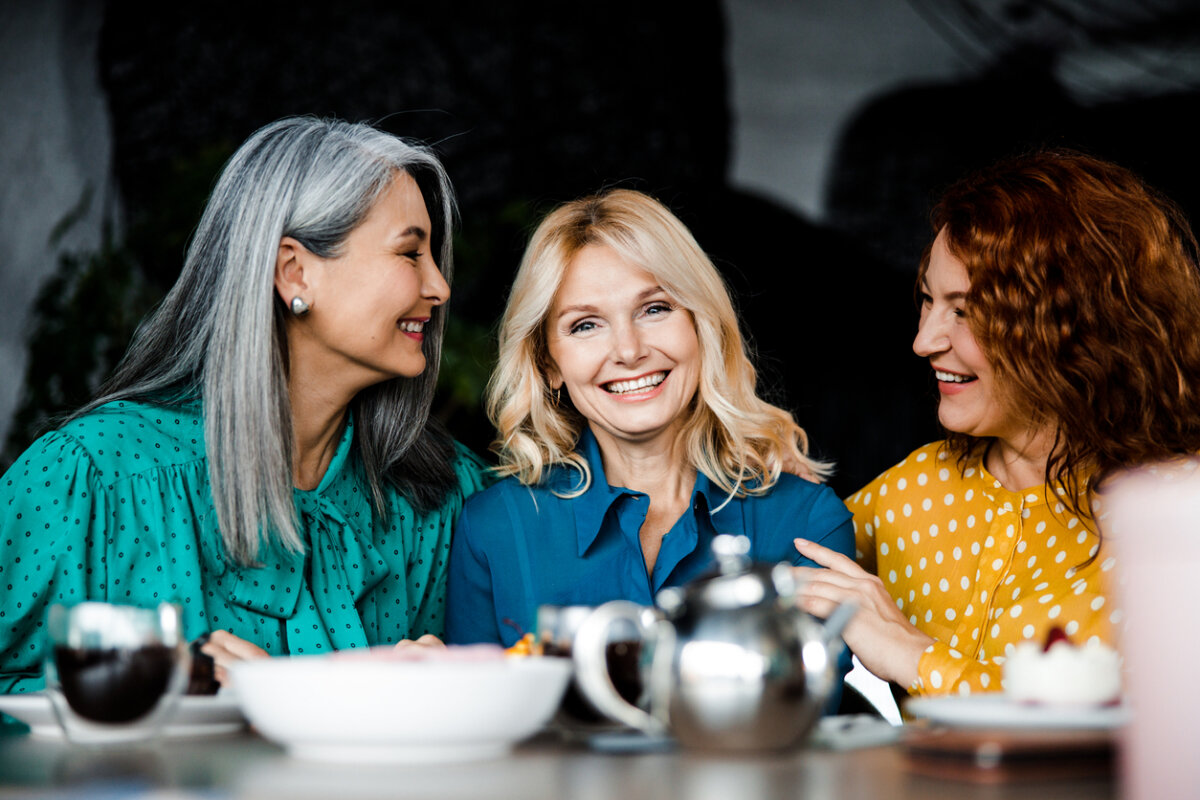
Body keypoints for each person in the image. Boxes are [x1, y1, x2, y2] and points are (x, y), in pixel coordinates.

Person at [0, 117, 487, 693]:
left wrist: (452, 693)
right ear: (294, 272)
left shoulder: (445, 495)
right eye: (411, 253)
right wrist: (151, 684)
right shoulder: (87, 478)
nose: (439, 286)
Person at [793, 149, 1200, 696]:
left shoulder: (1178, 518)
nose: (924, 342)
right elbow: (751, 577)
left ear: (1072, 324)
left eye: (965, 311)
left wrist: (916, 657)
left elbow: (1150, 736)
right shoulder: (909, 495)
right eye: (928, 301)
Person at [445, 189, 854, 666]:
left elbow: (801, 716)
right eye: (585, 325)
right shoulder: (494, 530)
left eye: (654, 309)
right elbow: (475, 727)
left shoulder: (806, 524)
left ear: (701, 325)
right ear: (548, 363)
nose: (628, 349)